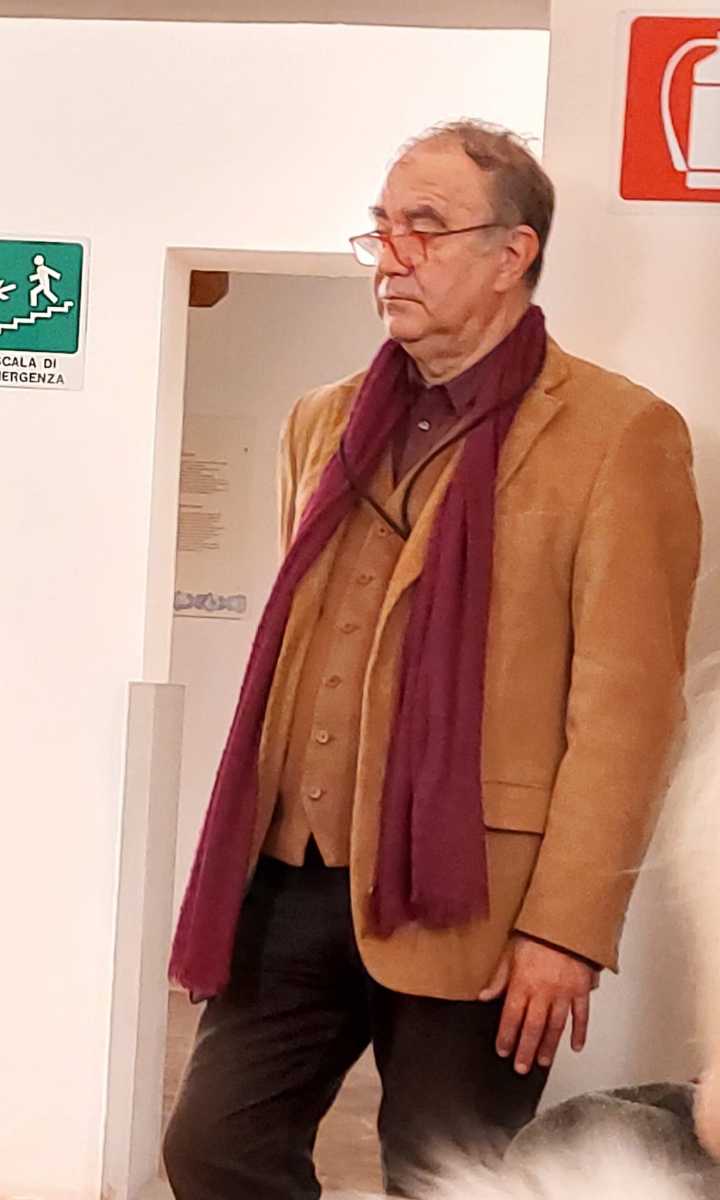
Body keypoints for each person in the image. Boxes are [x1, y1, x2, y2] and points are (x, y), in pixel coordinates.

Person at [163, 120, 701, 1199]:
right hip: (295, 872)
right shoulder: (320, 422)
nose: (392, 255)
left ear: (513, 253)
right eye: (382, 227)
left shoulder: (619, 435)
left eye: (426, 226)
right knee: (212, 1147)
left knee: (445, 1180)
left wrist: (564, 931)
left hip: (480, 896)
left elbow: (629, 713)